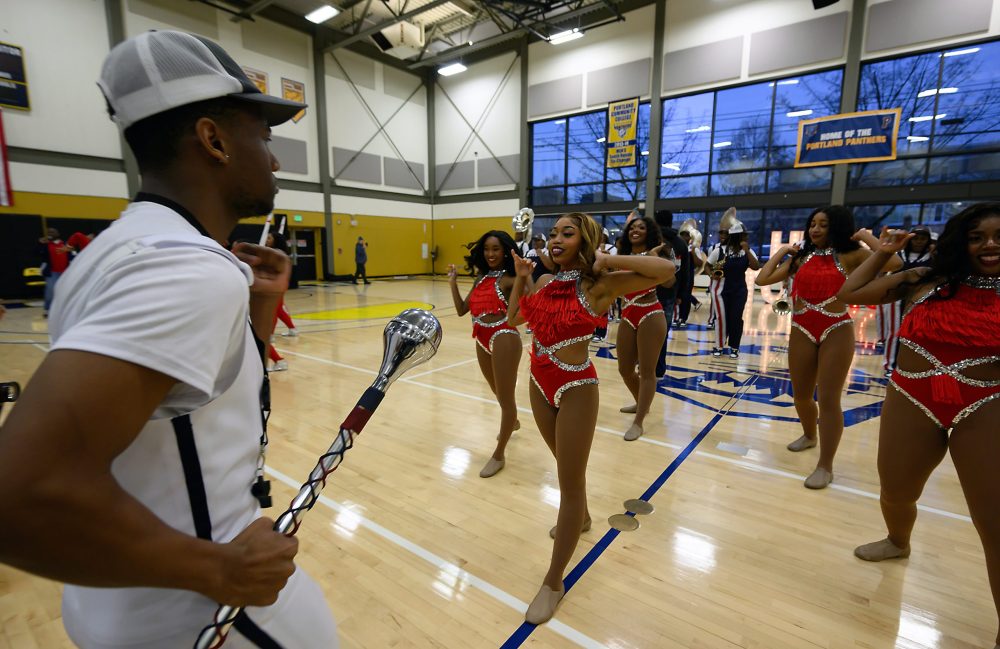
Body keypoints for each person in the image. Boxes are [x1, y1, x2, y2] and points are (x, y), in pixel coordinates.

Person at [0, 30, 337, 648]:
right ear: (213, 140)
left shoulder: (116, 251)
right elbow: (20, 492)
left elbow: (185, 410)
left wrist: (258, 315)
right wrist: (218, 569)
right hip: (207, 613)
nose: (275, 159)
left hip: (119, 600)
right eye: (262, 137)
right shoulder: (183, 267)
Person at [835, 203, 1000, 649]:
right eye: (977, 236)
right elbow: (851, 292)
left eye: (999, 236)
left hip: (985, 405)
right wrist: (881, 250)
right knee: (895, 491)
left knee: (994, 523)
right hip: (912, 398)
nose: (989, 245)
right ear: (960, 241)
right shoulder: (925, 279)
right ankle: (897, 541)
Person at [507, 212, 673, 625]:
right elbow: (515, 320)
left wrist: (607, 259)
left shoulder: (601, 285)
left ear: (585, 241)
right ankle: (580, 518)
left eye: (568, 233)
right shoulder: (545, 283)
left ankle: (553, 582)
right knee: (564, 469)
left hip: (577, 387)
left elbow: (667, 270)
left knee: (570, 481)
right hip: (538, 384)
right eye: (554, 233)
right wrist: (523, 279)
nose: (557, 239)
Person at [754, 206, 901, 489]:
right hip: (801, 328)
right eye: (813, 224)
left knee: (830, 401)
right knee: (800, 396)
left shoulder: (853, 254)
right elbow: (762, 279)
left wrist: (865, 237)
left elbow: (893, 263)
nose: (815, 229)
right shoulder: (801, 258)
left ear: (839, 227)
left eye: (823, 224)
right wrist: (783, 251)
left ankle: (825, 465)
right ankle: (810, 436)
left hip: (836, 328)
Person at [447, 231, 522, 478]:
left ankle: (499, 455)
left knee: (506, 399)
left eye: (496, 249)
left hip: (504, 337)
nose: (490, 254)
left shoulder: (511, 279)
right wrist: (453, 283)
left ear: (505, 251)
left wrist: (525, 276)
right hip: (481, 338)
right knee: (498, 393)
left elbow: (530, 302)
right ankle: (513, 422)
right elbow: (460, 310)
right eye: (487, 249)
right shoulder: (481, 278)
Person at [615, 217, 670, 441]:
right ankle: (642, 403)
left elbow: (669, 282)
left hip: (651, 313)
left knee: (647, 372)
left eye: (641, 227)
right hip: (628, 313)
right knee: (624, 369)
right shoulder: (621, 255)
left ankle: (638, 421)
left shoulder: (657, 252)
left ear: (649, 233)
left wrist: (655, 259)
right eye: (632, 227)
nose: (635, 230)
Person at [879, 225, 933, 376]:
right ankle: (889, 366)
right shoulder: (898, 255)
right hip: (897, 300)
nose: (919, 242)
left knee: (917, 334)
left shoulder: (932, 257)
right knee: (894, 332)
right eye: (916, 238)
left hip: (921, 301)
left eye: (923, 239)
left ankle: (911, 365)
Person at [707, 222, 760, 359]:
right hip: (721, 290)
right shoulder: (719, 250)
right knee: (721, 318)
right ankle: (719, 345)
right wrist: (711, 275)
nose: (743, 238)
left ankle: (734, 347)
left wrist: (747, 250)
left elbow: (755, 266)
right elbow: (707, 265)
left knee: (736, 318)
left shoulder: (747, 250)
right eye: (740, 236)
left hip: (739, 290)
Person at [265, 232, 298, 372]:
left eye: (269, 238)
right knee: (277, 311)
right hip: (275, 288)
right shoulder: (274, 253)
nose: (267, 240)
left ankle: (278, 357)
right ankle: (283, 332)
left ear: (276, 240)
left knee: (277, 310)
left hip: (276, 288)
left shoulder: (278, 255)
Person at [38, 227, 70, 315]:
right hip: (52, 272)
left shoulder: (65, 244)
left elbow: (70, 255)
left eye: (52, 232)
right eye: (49, 232)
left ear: (58, 234)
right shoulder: (46, 245)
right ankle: (47, 309)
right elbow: (39, 254)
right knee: (50, 291)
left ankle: (63, 310)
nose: (50, 234)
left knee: (64, 292)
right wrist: (40, 243)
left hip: (65, 272)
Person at [705, 228, 727, 329]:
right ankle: (711, 319)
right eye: (721, 233)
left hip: (727, 278)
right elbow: (709, 264)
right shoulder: (713, 248)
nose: (722, 235)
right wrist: (711, 275)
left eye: (725, 233)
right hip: (716, 278)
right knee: (714, 300)